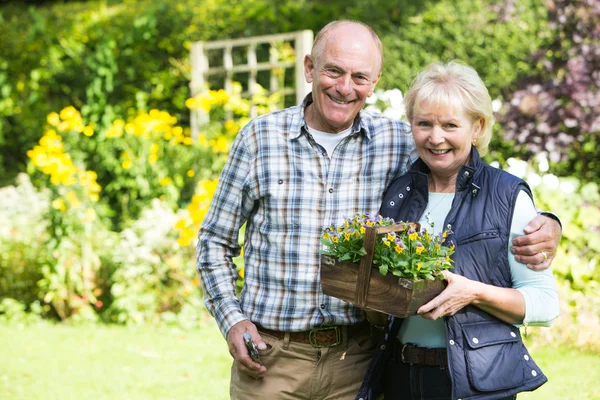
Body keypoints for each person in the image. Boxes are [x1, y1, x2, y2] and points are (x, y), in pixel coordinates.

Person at [196, 21, 561, 400]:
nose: (344, 87)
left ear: (375, 82)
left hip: (357, 361)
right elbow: (214, 241)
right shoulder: (260, 138)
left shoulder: (397, 141)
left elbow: (474, 178)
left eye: (359, 76)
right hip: (272, 360)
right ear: (309, 68)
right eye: (333, 70)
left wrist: (547, 222)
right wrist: (232, 320)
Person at [357, 62, 560, 400]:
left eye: (450, 125)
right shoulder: (399, 193)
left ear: (477, 127)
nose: (436, 138)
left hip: (475, 383)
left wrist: (473, 293)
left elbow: (545, 305)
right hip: (400, 378)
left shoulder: (507, 195)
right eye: (424, 124)